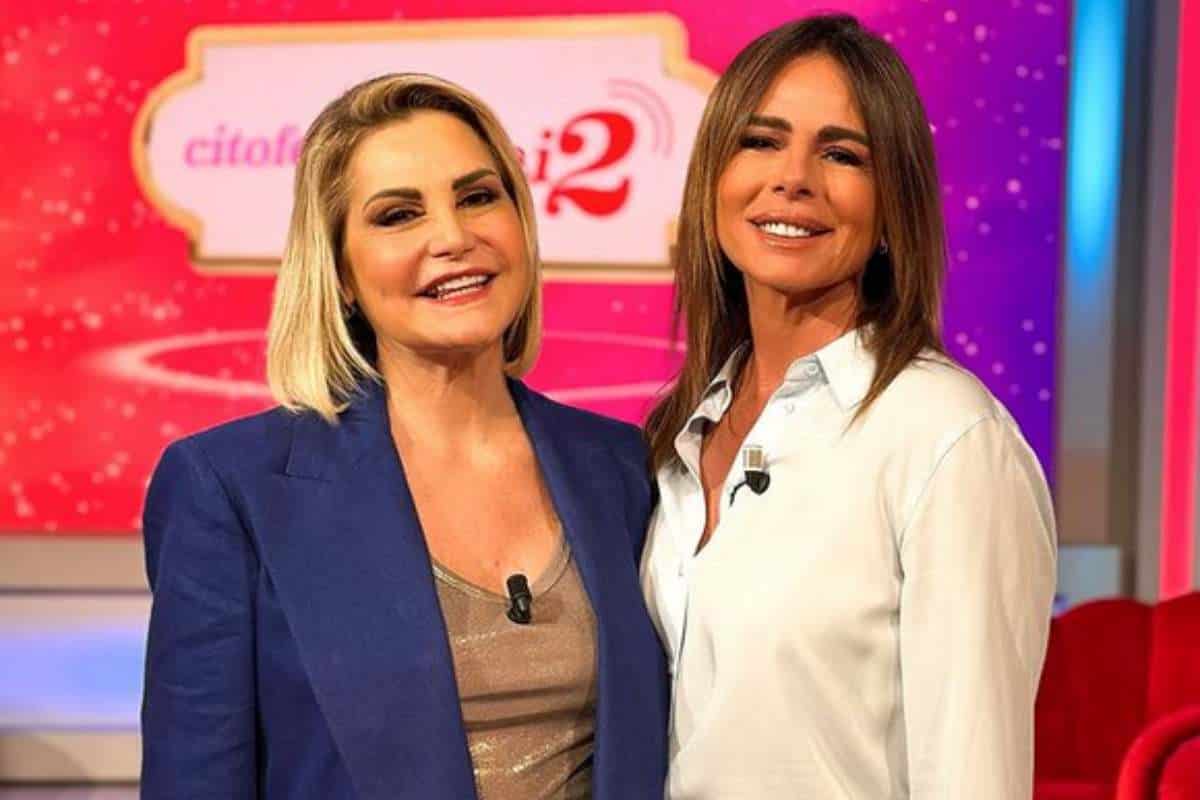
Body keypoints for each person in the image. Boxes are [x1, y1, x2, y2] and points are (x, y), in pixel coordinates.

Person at [140, 73, 667, 800]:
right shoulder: (230, 489)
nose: (453, 238)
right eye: (398, 215)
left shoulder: (622, 466)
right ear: (341, 272)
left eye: (478, 197)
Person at [640, 14, 1057, 799]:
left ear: (892, 204)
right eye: (760, 141)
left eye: (841, 154)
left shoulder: (947, 437)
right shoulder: (679, 431)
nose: (793, 178)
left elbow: (974, 772)